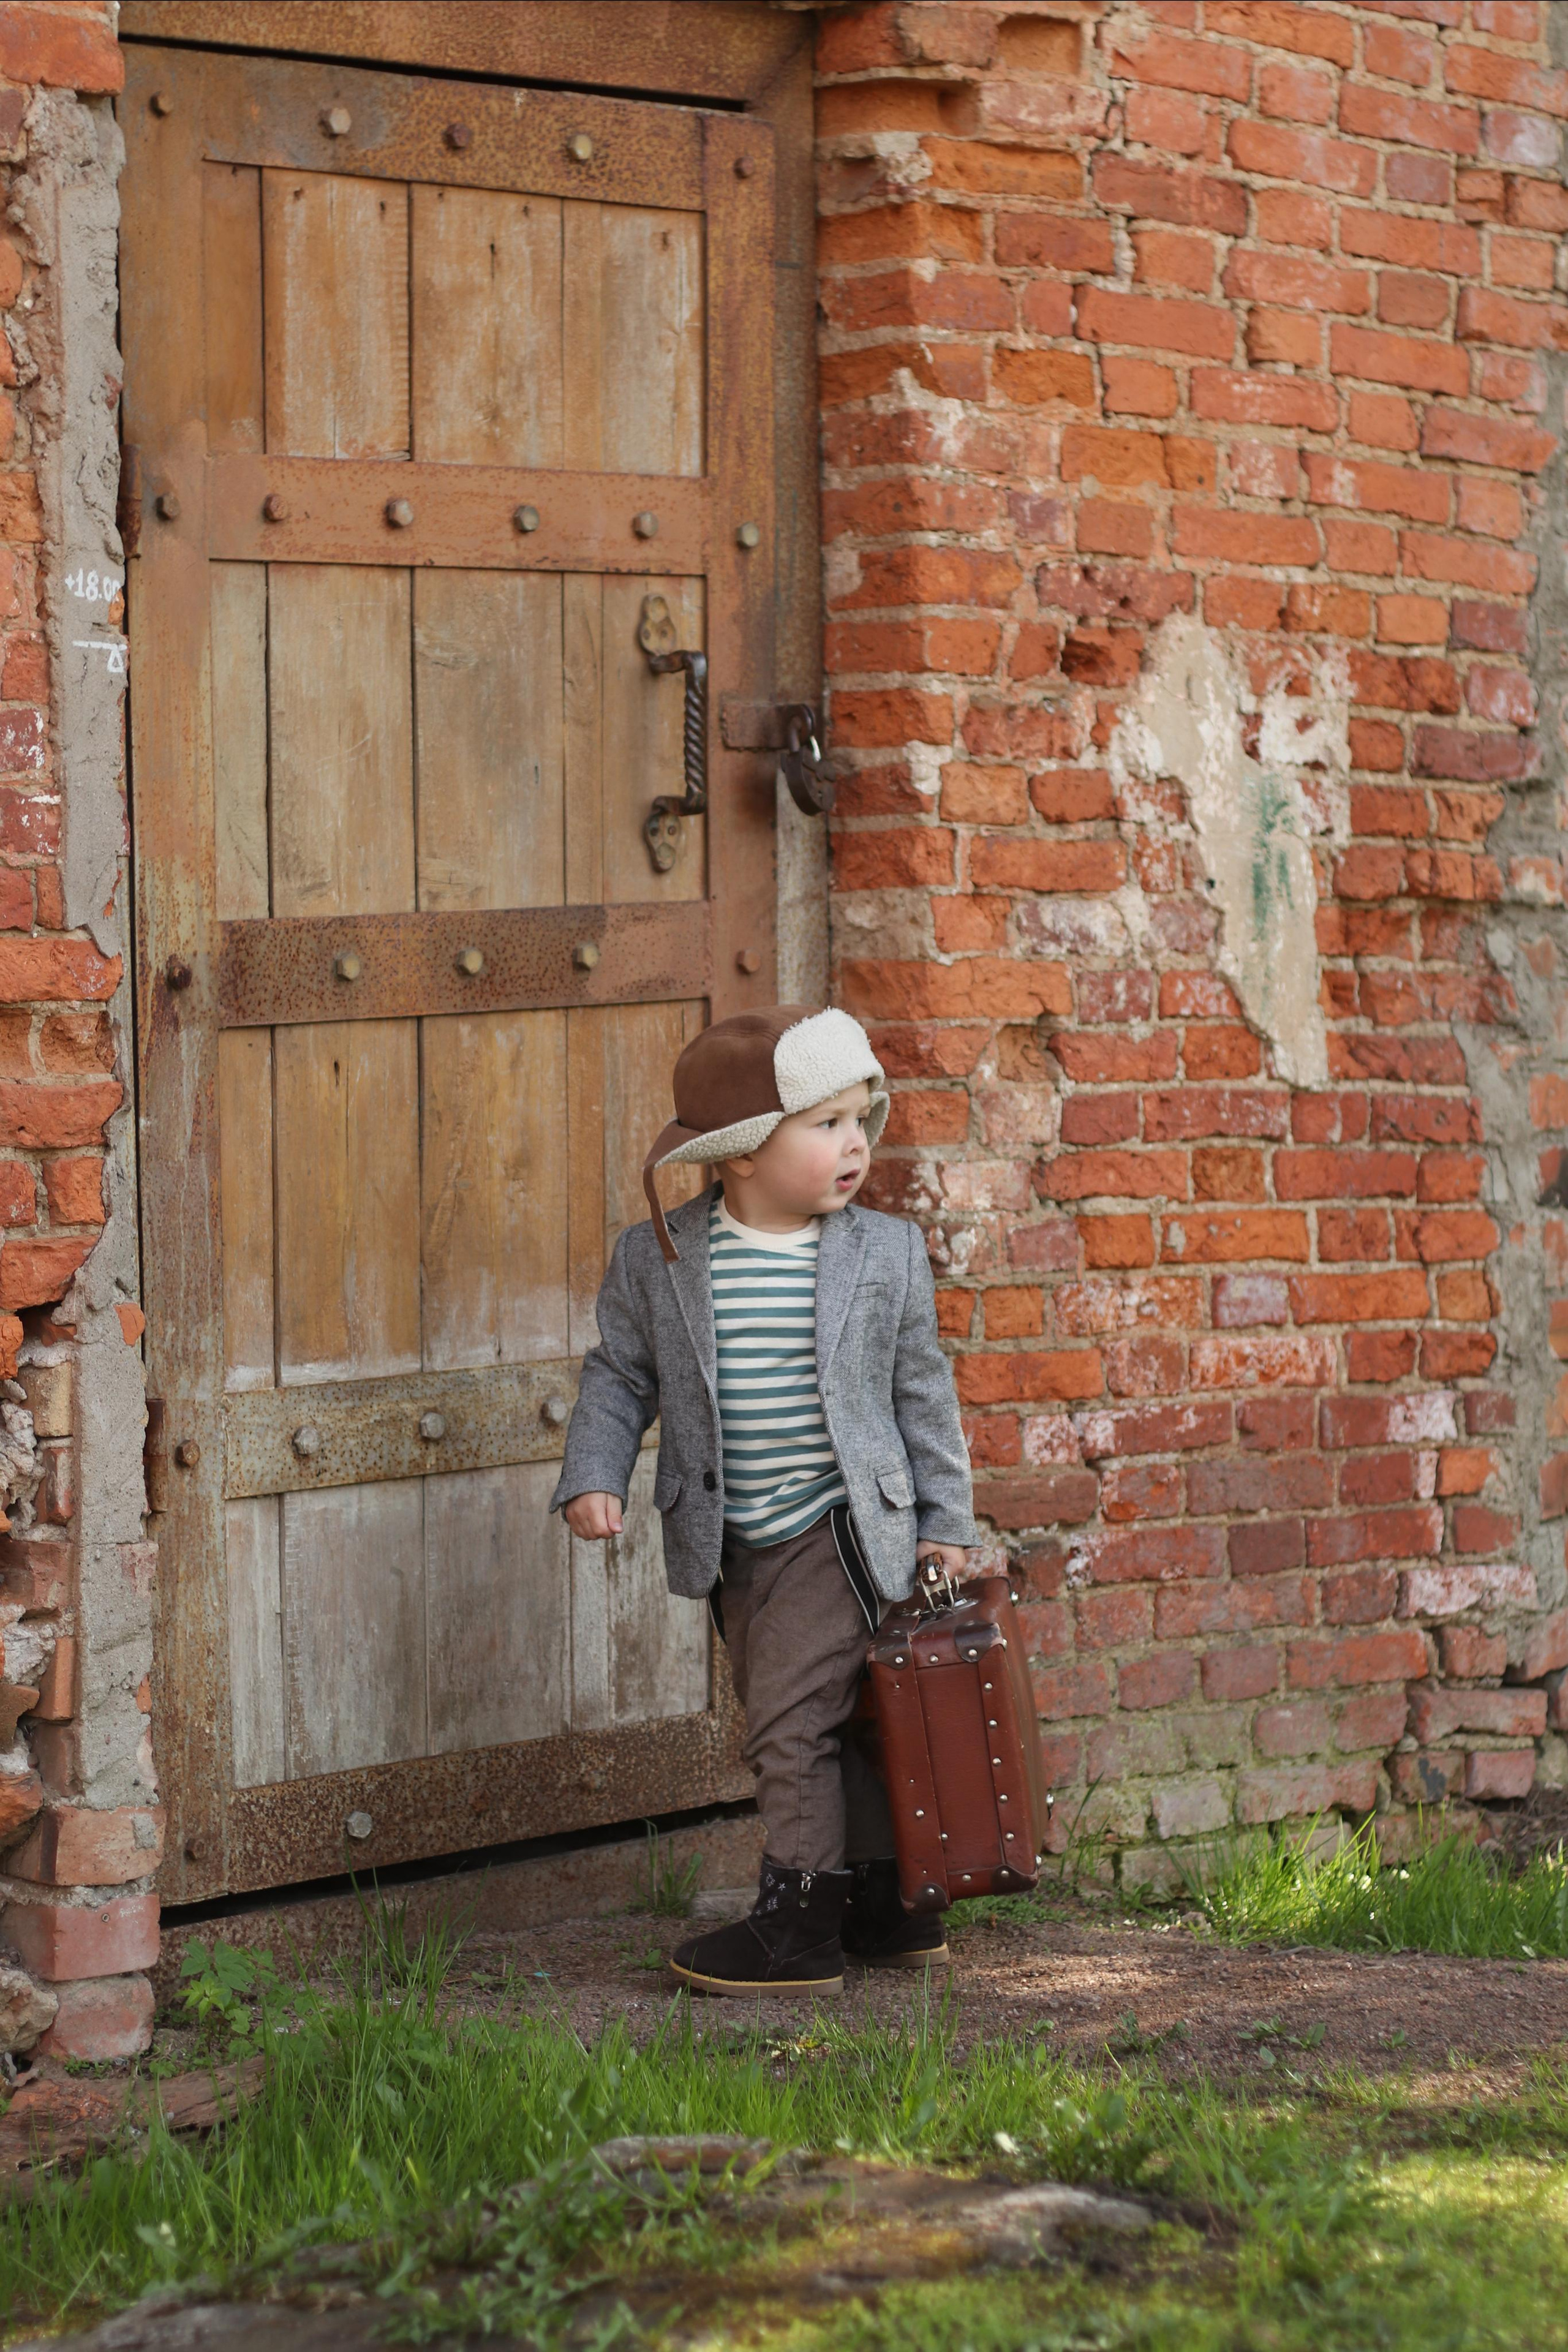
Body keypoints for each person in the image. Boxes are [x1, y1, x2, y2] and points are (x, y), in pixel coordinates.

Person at [551, 1005, 976, 1996]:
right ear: (739, 1155)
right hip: (736, 1537)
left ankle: (797, 1926)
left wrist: (948, 1525)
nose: (855, 1143)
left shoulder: (884, 1252)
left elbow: (923, 1391)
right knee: (841, 1715)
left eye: (861, 1118)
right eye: (824, 1123)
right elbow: (619, 1376)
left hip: (843, 1529)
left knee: (788, 1725)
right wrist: (593, 1473)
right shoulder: (659, 1257)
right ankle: (891, 1904)